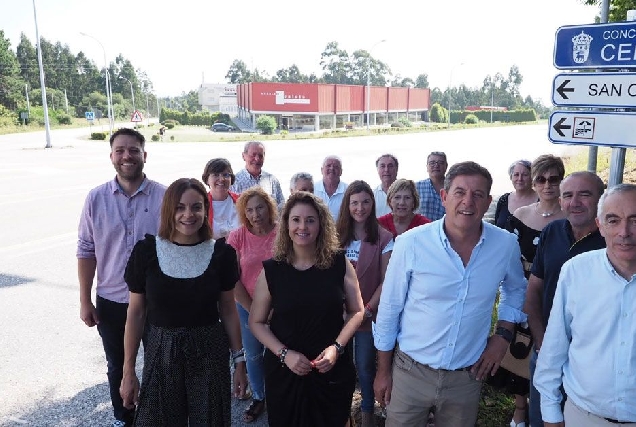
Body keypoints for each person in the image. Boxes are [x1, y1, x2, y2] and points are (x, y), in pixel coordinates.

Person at [373, 161, 527, 427]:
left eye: (478, 194)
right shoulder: (411, 243)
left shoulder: (505, 245)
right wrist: (383, 372)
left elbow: (515, 289)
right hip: (411, 371)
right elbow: (389, 309)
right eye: (459, 192)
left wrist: (503, 336)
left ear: (488, 200)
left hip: (466, 377)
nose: (468, 201)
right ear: (444, 197)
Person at [119, 178, 248, 426]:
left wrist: (239, 361)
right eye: (180, 207)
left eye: (196, 207)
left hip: (209, 355)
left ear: (205, 209)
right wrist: (128, 371)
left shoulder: (221, 254)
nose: (188, 214)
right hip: (161, 353)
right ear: (169, 210)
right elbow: (135, 314)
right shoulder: (147, 252)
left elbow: (229, 310)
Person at [249, 192, 365, 426]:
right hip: (285, 371)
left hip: (331, 370)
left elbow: (357, 311)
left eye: (310, 220)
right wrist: (284, 354)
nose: (303, 226)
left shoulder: (339, 263)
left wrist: (337, 348)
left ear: (321, 224)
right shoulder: (272, 270)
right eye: (296, 220)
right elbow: (256, 322)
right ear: (286, 224)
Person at [77, 128, 166, 427]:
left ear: (144, 155)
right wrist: (84, 300)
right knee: (118, 366)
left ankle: (154, 417)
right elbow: (86, 250)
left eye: (133, 150)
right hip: (112, 301)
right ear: (112, 156)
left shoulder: (165, 197)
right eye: (120, 150)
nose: (127, 156)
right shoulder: (96, 198)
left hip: (156, 301)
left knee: (158, 365)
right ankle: (123, 417)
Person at [534, 183, 636, 427]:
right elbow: (555, 344)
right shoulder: (576, 271)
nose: (624, 231)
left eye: (635, 219)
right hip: (584, 417)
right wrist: (550, 412)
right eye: (613, 220)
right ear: (600, 226)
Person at [523, 171, 606, 427]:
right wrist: (541, 340)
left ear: (601, 200)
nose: (575, 202)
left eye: (585, 194)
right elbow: (534, 289)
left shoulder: (614, 241)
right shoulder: (552, 231)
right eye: (568, 195)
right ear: (560, 201)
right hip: (547, 350)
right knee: (541, 418)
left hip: (591, 358)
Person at [497, 154, 566, 427]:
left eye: (554, 179)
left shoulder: (570, 218)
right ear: (534, 183)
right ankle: (520, 408)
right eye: (541, 179)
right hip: (520, 289)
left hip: (554, 292)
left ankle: (551, 407)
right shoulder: (520, 215)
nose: (547, 185)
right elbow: (508, 259)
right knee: (519, 351)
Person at [336, 181, 394, 427]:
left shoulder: (383, 237)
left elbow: (387, 280)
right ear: (347, 205)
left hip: (368, 317)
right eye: (355, 202)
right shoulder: (336, 236)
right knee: (339, 368)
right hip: (337, 318)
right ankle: (342, 414)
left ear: (373, 203)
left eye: (365, 202)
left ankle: (368, 415)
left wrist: (368, 308)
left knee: (365, 368)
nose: (360, 208)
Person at [227, 187, 279, 423]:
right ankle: (259, 396)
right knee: (254, 354)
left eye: (259, 208)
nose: (255, 214)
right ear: (244, 213)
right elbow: (232, 278)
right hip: (247, 303)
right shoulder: (237, 237)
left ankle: (279, 395)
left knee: (279, 351)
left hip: (280, 304)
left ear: (268, 208)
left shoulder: (282, 233)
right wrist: (253, 310)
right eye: (249, 210)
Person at [231, 141, 285, 206]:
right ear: (243, 156)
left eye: (260, 155)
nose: (257, 159)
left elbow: (281, 205)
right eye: (253, 155)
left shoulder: (272, 180)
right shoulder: (234, 182)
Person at [202, 157, 240, 239]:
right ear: (207, 179)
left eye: (225, 175)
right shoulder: (201, 204)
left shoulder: (242, 201)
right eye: (215, 175)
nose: (221, 179)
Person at [494, 160, 537, 229]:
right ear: (511, 177)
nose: (520, 179)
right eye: (516, 175)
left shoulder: (541, 200)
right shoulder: (504, 200)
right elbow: (496, 227)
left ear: (532, 178)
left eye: (525, 175)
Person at [415, 151, 448, 220]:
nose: (436, 165)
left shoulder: (452, 188)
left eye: (440, 163)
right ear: (427, 166)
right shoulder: (416, 187)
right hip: (422, 229)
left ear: (446, 166)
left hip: (445, 230)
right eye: (432, 163)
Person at [314, 155, 348, 221]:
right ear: (321, 170)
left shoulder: (348, 190)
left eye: (336, 166)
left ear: (341, 171)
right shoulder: (313, 189)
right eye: (328, 165)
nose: (332, 168)